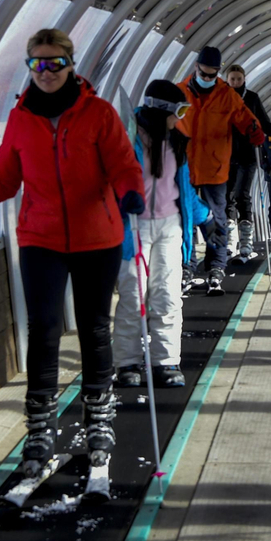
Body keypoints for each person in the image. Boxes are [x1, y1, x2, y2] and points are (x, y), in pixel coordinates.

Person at [0, 28, 145, 483]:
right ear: (29, 67)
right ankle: (40, 428)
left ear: (71, 65)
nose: (45, 73)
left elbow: (124, 165)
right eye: (36, 64)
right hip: (40, 238)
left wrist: (130, 195)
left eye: (54, 63)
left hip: (97, 238)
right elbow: (3, 181)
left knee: (93, 328)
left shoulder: (98, 114)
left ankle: (98, 419)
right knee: (44, 329)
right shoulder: (20, 119)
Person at [115, 81, 203, 389]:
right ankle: (126, 361)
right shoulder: (127, 136)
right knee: (133, 296)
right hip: (133, 227)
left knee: (167, 296)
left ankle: (165, 361)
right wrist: (122, 199)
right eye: (178, 110)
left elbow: (184, 188)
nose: (180, 118)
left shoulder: (176, 142)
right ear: (161, 109)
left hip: (169, 225)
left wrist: (204, 217)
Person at [178, 46, 265, 294]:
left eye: (212, 75)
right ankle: (187, 264)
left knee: (217, 218)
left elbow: (244, 116)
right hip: (185, 166)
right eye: (204, 74)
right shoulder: (180, 92)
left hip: (215, 167)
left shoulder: (226, 95)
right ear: (196, 68)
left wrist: (253, 129)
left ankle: (216, 266)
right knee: (186, 217)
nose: (207, 79)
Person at [223, 64, 271, 263]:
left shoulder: (251, 98)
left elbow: (263, 120)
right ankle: (230, 239)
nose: (235, 82)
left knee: (243, 193)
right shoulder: (222, 98)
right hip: (226, 153)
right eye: (232, 79)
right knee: (228, 195)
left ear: (244, 79)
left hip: (248, 154)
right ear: (227, 79)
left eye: (238, 79)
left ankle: (246, 241)